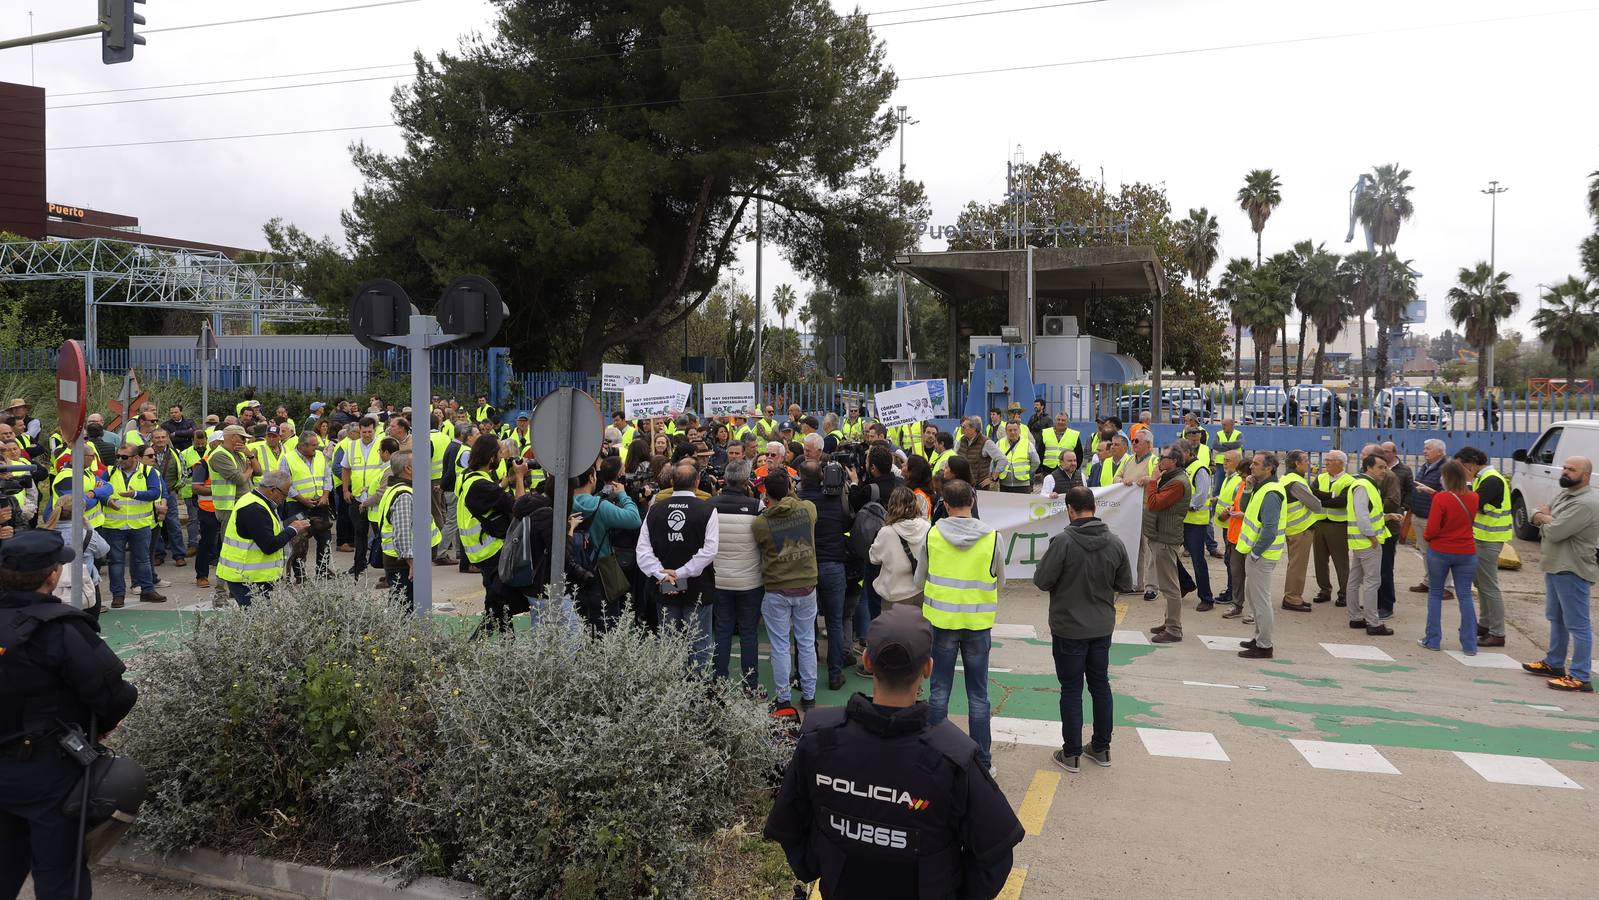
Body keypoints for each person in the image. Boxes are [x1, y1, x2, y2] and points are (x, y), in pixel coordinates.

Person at [763, 604, 1023, 899]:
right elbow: (997, 851)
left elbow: (788, 827)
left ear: (867, 660)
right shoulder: (953, 756)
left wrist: (821, 863)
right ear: (928, 668)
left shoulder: (819, 739)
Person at [0, 530, 140, 900]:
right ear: (51, 575)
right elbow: (115, 694)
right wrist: (104, 724)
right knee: (59, 872)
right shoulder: (59, 628)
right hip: (46, 770)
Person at [1034, 485, 1132, 772]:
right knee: (1100, 685)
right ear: (1095, 508)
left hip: (1068, 628)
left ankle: (1072, 752)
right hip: (1102, 626)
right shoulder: (1115, 542)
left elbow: (1042, 581)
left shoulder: (1062, 542)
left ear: (1070, 510)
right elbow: (1125, 584)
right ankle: (1101, 748)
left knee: (1071, 689)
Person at [916, 479, 1004, 775]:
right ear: (974, 500)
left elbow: (919, 580)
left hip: (942, 622)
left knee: (939, 690)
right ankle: (983, 762)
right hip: (978, 623)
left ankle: (935, 758)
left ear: (945, 504)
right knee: (978, 695)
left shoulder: (932, 535)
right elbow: (999, 579)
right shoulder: (993, 537)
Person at [1522, 456, 1599, 692]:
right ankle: (1554, 663)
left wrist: (1543, 518)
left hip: (1572, 568)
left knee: (1578, 624)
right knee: (1556, 618)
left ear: (1585, 476)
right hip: (1555, 565)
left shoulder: (1586, 503)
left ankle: (1580, 676)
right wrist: (1544, 516)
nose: (1564, 472)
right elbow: (1537, 513)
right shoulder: (1565, 495)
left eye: (1571, 469)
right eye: (1564, 468)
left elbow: (1555, 532)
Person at [752, 471, 818, 711]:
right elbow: (799, 503)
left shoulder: (761, 522)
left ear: (766, 494)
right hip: (806, 585)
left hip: (777, 588)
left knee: (780, 646)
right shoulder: (808, 509)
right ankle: (809, 695)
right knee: (806, 642)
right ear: (791, 487)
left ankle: (783, 699)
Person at [459, 433, 525, 635]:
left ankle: (505, 648)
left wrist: (505, 482)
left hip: (479, 553)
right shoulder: (484, 486)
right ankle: (476, 650)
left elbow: (487, 497)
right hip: (493, 551)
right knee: (501, 606)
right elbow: (520, 508)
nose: (502, 455)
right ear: (490, 458)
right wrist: (520, 478)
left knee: (497, 606)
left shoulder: (468, 478)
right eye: (499, 451)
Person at [795, 461, 851, 690]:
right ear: (821, 476)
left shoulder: (797, 503)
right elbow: (848, 521)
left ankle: (802, 672)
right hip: (833, 565)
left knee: (803, 624)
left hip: (805, 568)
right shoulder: (836, 499)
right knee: (835, 623)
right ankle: (835, 674)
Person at [709, 460, 763, 691]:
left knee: (722, 630)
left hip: (719, 580)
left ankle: (718, 681)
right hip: (750, 581)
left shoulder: (710, 505)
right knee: (749, 632)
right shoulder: (755, 506)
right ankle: (750, 684)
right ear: (745, 480)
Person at [217, 470, 309, 607]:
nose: (285, 498)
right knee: (256, 622)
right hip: (246, 580)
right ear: (272, 490)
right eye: (284, 494)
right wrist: (292, 530)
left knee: (260, 621)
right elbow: (269, 545)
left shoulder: (257, 501)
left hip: (252, 577)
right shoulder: (255, 509)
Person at [1418, 459, 1479, 654]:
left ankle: (1433, 639)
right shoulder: (1474, 497)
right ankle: (1470, 644)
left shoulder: (1441, 498)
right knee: (1465, 596)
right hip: (1466, 551)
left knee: (1435, 594)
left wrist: (1428, 537)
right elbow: (1458, 507)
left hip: (1441, 550)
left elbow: (1433, 527)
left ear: (1446, 478)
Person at [1453, 446, 1510, 647]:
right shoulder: (1483, 479)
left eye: (1461, 466)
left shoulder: (1491, 480)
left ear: (1471, 464)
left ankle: (1497, 632)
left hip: (1489, 539)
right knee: (1481, 585)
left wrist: (1466, 482)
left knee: (1489, 586)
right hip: (1481, 538)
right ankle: (1485, 624)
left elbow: (1471, 503)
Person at [102, 440, 167, 607]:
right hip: (114, 526)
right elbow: (99, 492)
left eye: (124, 457)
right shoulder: (109, 472)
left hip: (140, 525)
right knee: (116, 562)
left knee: (143, 560)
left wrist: (134, 494)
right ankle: (118, 595)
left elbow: (155, 493)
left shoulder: (148, 471)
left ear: (136, 458)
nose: (119, 460)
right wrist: (107, 500)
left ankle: (147, 590)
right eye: (117, 456)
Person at [376, 451, 440, 612]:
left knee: (401, 606)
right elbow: (402, 532)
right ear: (408, 469)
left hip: (401, 562)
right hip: (403, 564)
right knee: (405, 610)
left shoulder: (397, 489)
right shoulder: (404, 494)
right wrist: (412, 563)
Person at [1237, 452, 1286, 658]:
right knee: (1254, 597)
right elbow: (1244, 508)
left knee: (1261, 600)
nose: (1251, 467)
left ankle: (1265, 645)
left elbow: (1270, 529)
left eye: (1256, 464)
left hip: (1262, 555)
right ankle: (1258, 637)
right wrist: (1248, 489)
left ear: (1269, 469)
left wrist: (1256, 553)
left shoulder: (1271, 493)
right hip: (1255, 554)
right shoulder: (1261, 488)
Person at [1148, 444, 1194, 641]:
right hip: (1161, 535)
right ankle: (1169, 622)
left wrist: (1152, 481)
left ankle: (1174, 629)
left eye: (1163, 457)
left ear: (1174, 460)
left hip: (1166, 538)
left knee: (1170, 586)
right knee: (1168, 583)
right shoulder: (1172, 479)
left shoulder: (1177, 483)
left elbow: (1154, 503)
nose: (1159, 460)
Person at [1347, 451, 1395, 637]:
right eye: (1380, 467)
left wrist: (1387, 516)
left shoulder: (1367, 485)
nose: (1384, 471)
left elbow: (1369, 513)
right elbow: (1362, 515)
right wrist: (1372, 536)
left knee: (1355, 580)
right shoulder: (1363, 486)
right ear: (1368, 467)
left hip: (1361, 541)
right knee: (1371, 582)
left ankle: (1356, 617)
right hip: (1367, 541)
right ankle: (1372, 622)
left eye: (1385, 467)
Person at [282, 430, 334, 582]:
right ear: (302, 445)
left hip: (320, 504)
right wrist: (302, 499)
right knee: (299, 542)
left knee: (325, 538)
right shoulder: (288, 459)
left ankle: (322, 570)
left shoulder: (320, 457)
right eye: (313, 445)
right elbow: (286, 484)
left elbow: (327, 478)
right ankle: (300, 575)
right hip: (297, 505)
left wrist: (325, 495)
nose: (316, 448)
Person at [1276, 450, 1324, 613]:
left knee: (1295, 565)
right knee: (1297, 566)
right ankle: (1292, 598)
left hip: (1294, 529)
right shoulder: (1296, 482)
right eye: (1305, 460)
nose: (1308, 463)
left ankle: (1293, 596)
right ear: (1297, 464)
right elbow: (1316, 505)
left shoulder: (1286, 479)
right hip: (1300, 530)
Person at [870, 486, 929, 609]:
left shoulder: (886, 532)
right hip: (921, 593)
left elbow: (873, 558)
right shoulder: (926, 527)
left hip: (894, 597)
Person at [341, 418, 385, 580]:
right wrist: (346, 490)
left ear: (374, 430)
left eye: (370, 431)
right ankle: (359, 564)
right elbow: (345, 469)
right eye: (364, 431)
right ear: (359, 430)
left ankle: (387, 565)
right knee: (359, 533)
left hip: (377, 498)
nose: (367, 434)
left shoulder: (382, 445)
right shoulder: (352, 446)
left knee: (381, 532)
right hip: (358, 497)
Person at [1310, 450, 1353, 606]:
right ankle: (1324, 590)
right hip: (1320, 523)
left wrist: (1321, 499)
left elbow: (1342, 502)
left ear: (1340, 463)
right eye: (1326, 459)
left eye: (1330, 460)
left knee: (1340, 561)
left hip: (1338, 525)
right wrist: (1331, 496)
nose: (1326, 462)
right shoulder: (1321, 477)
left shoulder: (1349, 480)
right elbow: (1311, 494)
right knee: (1319, 560)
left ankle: (1345, 592)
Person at [1408, 439, 1448, 597]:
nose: (1424, 451)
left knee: (1440, 554)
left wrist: (1430, 491)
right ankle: (1429, 581)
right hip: (1419, 515)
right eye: (1424, 448)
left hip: (1433, 518)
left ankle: (1447, 587)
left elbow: (1449, 495)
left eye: (1429, 449)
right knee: (1425, 552)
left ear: (1440, 452)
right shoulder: (1426, 466)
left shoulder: (1445, 469)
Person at [147, 430, 187, 568]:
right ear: (152, 439)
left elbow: (184, 472)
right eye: (157, 437)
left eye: (163, 437)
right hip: (151, 494)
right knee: (154, 524)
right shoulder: (146, 453)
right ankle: (158, 554)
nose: (160, 440)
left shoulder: (176, 453)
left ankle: (179, 555)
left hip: (169, 493)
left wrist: (176, 488)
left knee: (173, 524)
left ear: (168, 438)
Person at [956, 417, 1007, 492]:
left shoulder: (986, 442)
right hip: (962, 485)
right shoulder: (962, 440)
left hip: (979, 487)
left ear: (973, 429)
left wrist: (993, 478)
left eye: (963, 427)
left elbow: (1003, 459)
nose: (961, 429)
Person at [995, 422, 1037, 494]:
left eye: (1015, 430)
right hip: (1004, 484)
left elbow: (1036, 462)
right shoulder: (999, 443)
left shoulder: (1028, 444)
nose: (1013, 432)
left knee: (1023, 505)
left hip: (1023, 485)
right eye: (1010, 430)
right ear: (1006, 431)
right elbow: (993, 461)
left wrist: (1027, 473)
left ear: (1019, 430)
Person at [1038, 412, 1082, 480]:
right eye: (1058, 419)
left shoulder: (1074, 435)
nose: (1060, 422)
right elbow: (1040, 452)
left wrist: (1074, 469)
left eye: (1063, 420)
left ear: (1067, 422)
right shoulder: (1046, 432)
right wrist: (1038, 470)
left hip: (1067, 471)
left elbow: (1079, 455)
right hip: (1047, 470)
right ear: (1055, 421)